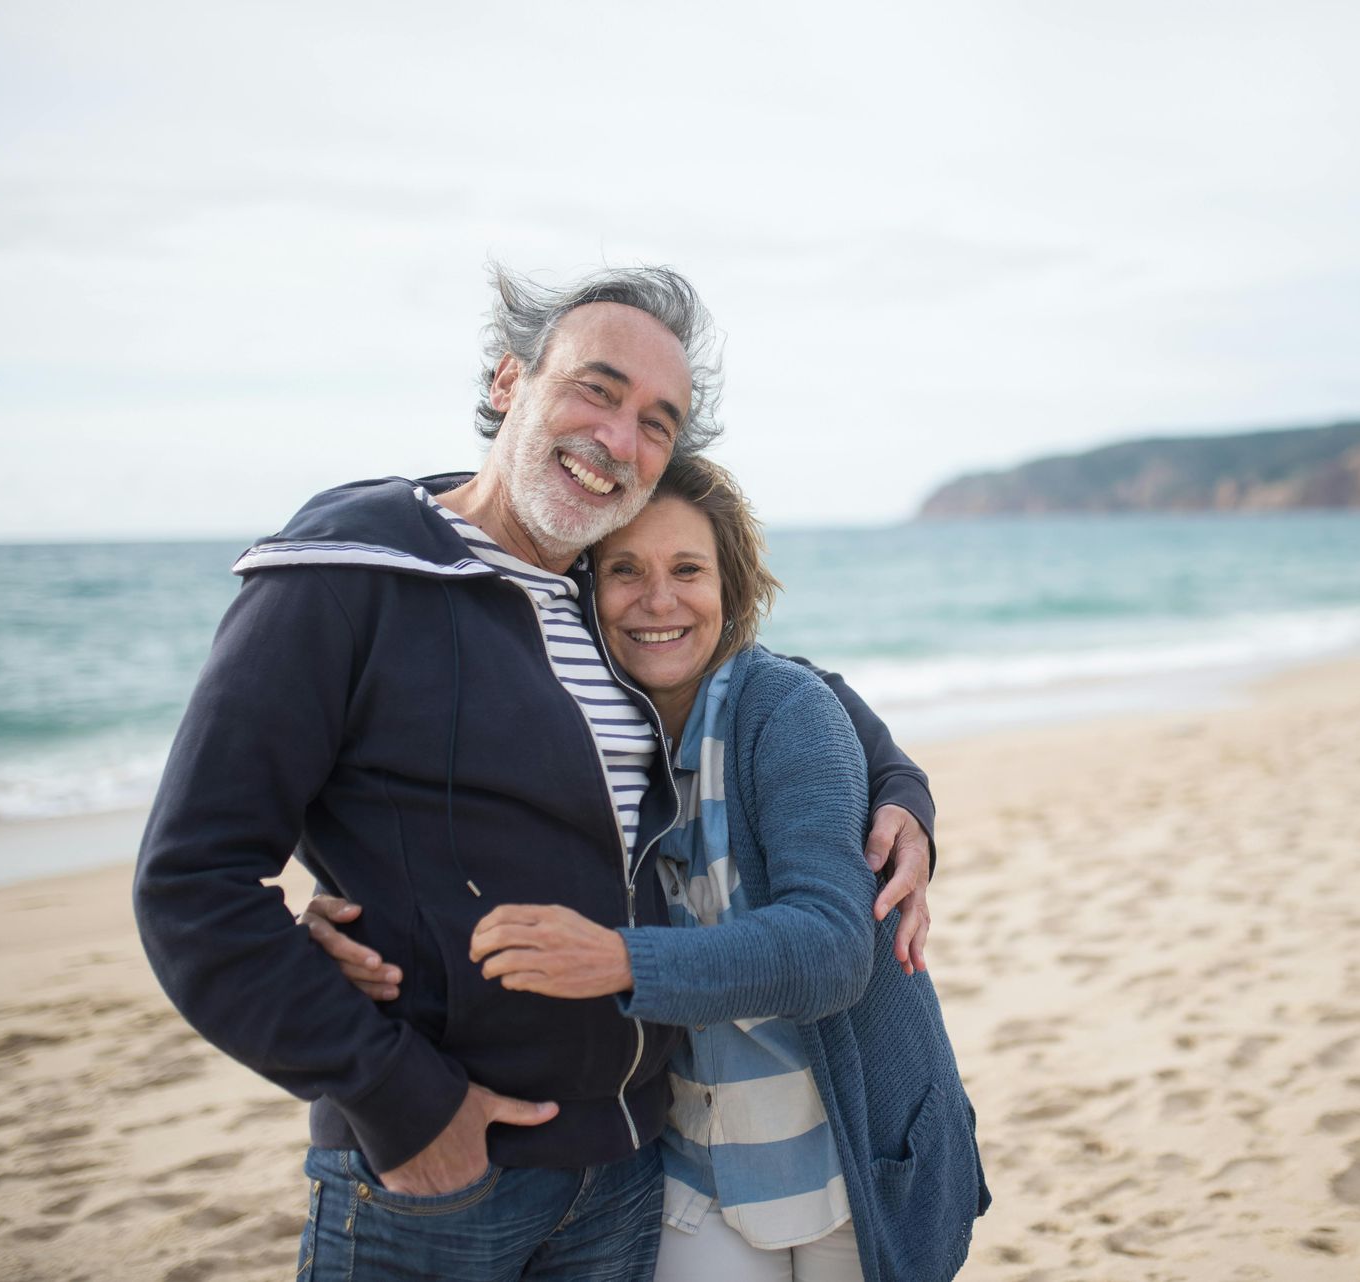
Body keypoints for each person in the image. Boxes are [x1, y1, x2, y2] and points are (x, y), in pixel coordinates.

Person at [133, 264, 940, 1282]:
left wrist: (901, 791)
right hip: (441, 1181)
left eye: (658, 420)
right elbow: (190, 885)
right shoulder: (345, 577)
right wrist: (404, 1105)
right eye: (596, 389)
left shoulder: (595, 595)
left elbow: (770, 681)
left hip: (634, 1168)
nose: (620, 439)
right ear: (510, 382)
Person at [313, 457, 988, 1281]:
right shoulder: (578, 725)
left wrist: (621, 961)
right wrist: (346, 907)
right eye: (625, 570)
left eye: (688, 570)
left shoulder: (784, 710)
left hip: (853, 1156)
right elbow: (445, 812)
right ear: (582, 591)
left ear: (730, 588)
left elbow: (832, 951)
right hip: (698, 1159)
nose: (658, 600)